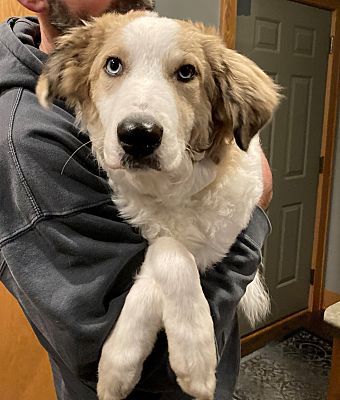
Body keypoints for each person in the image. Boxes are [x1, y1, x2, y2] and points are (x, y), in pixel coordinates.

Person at [0, 1, 273, 399]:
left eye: (183, 72)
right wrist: (253, 220)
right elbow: (151, 378)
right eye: (114, 65)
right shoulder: (30, 142)